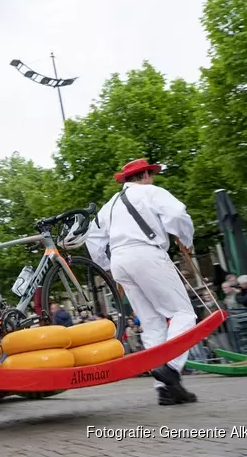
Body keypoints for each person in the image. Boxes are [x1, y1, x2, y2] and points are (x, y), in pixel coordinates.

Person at [85, 158, 198, 406]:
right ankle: (170, 368)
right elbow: (178, 213)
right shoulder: (151, 192)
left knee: (151, 322)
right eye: (151, 174)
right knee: (183, 314)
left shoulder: (109, 206)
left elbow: (92, 237)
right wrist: (185, 239)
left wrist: (106, 264)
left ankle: (165, 389)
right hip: (147, 253)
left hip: (120, 260)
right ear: (145, 175)